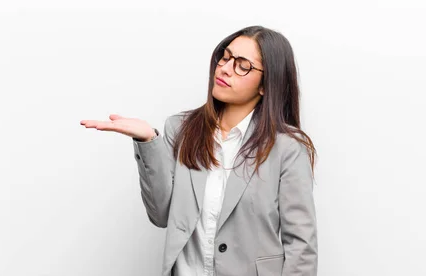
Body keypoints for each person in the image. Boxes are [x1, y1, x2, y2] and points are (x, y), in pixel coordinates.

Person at [80, 25, 317, 276]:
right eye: (225, 57)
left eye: (242, 65)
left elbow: (301, 246)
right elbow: (161, 216)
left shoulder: (288, 148)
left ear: (266, 84)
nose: (225, 68)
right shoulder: (180, 128)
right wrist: (148, 142)